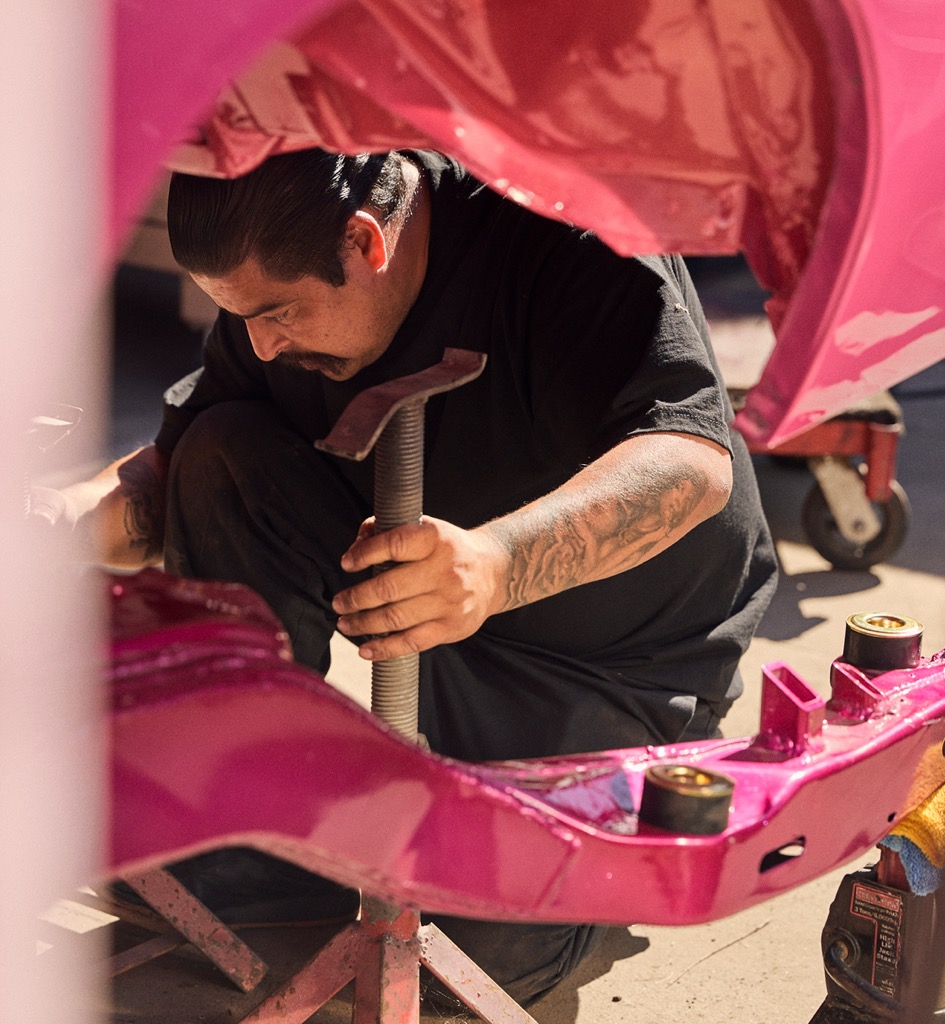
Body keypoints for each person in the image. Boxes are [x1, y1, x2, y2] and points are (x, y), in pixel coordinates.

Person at [47, 148, 778, 1005]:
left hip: (604, 660)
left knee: (468, 954)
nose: (260, 343)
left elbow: (692, 466)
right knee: (222, 453)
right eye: (236, 316)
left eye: (280, 313)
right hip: (425, 599)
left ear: (366, 242)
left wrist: (496, 567)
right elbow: (168, 481)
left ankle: (511, 885)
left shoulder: (568, 229)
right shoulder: (273, 300)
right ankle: (254, 813)